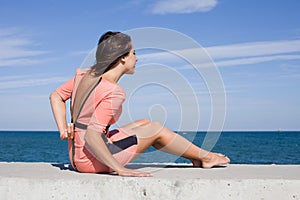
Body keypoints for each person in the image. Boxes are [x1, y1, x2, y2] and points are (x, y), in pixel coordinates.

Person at [49, 31, 230, 177]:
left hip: (77, 156)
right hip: (92, 161)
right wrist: (120, 169)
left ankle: (196, 158)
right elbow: (92, 136)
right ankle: (206, 157)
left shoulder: (85, 76)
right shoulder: (112, 91)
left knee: (145, 123)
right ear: (122, 58)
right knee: (156, 130)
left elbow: (56, 96)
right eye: (133, 53)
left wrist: (63, 128)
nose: (137, 58)